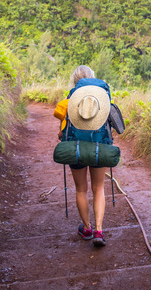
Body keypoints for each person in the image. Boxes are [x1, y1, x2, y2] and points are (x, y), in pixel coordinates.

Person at [53, 65, 110, 247]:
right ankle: (99, 231)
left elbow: (59, 122)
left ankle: (86, 228)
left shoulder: (68, 101)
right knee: (99, 187)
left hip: (75, 148)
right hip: (99, 147)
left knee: (81, 189)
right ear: (93, 78)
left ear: (75, 81)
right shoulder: (102, 99)